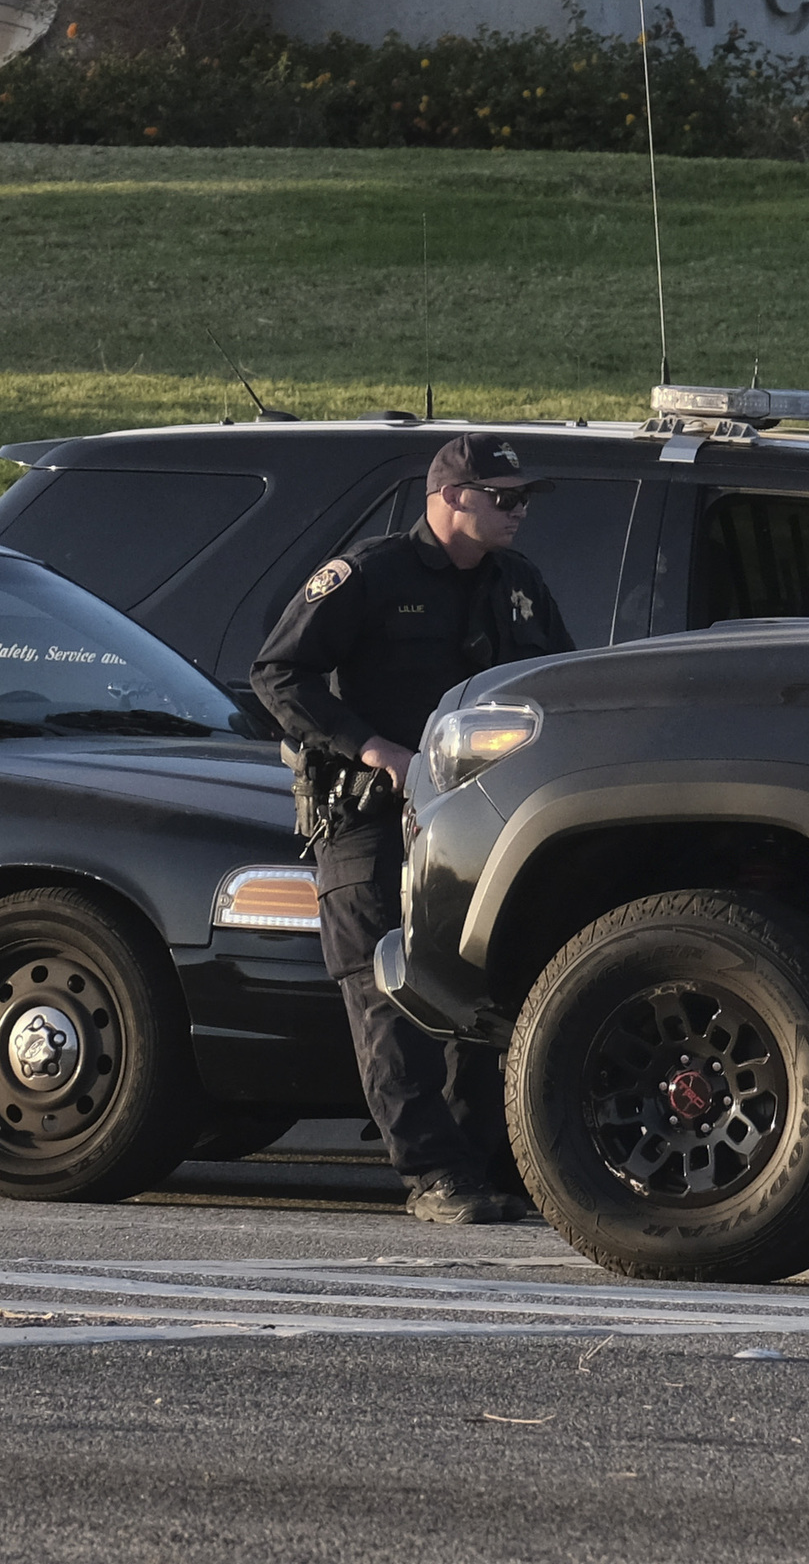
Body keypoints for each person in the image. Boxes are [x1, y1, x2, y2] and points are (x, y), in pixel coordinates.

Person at [252, 434, 574, 1226]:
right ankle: (432, 1172)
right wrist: (371, 745)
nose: (520, 510)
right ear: (452, 497)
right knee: (385, 994)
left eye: (525, 497)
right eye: (504, 497)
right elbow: (278, 671)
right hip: (370, 817)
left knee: (480, 990)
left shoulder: (519, 585)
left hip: (477, 828)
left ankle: (485, 1166)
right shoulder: (371, 575)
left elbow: (559, 686)